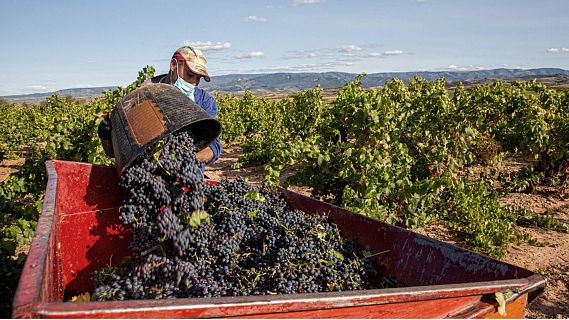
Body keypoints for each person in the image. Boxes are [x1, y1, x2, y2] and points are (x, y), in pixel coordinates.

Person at [98, 45, 223, 173]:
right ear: (174, 65)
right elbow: (119, 152)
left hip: (188, 178)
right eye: (190, 75)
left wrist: (187, 159)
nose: (194, 83)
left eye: (198, 78)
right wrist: (107, 136)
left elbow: (214, 147)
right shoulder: (143, 96)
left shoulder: (204, 101)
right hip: (149, 177)